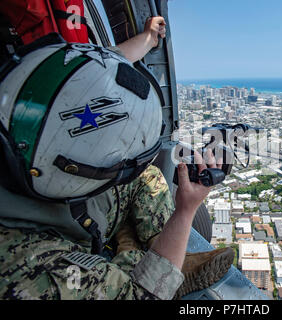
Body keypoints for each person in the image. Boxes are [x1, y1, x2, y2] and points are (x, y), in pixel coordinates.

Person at [0, 15, 234, 300]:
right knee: (130, 275)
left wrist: (148, 38)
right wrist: (185, 211)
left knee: (145, 176)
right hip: (64, 244)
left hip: (59, 204)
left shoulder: (25, 101)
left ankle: (157, 246)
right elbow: (144, 297)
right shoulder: (33, 270)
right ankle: (144, 259)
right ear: (69, 169)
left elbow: (90, 69)